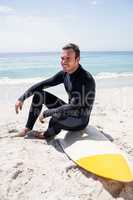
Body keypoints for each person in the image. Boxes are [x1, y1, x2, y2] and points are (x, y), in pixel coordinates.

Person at [15, 43, 96, 140]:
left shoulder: (85, 79)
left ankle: (46, 135)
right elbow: (42, 85)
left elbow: (75, 105)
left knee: (56, 115)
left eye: (68, 58)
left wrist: (47, 112)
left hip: (80, 120)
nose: (64, 62)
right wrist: (21, 98)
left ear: (77, 59)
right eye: (62, 58)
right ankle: (28, 128)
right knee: (39, 94)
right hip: (70, 111)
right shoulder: (65, 74)